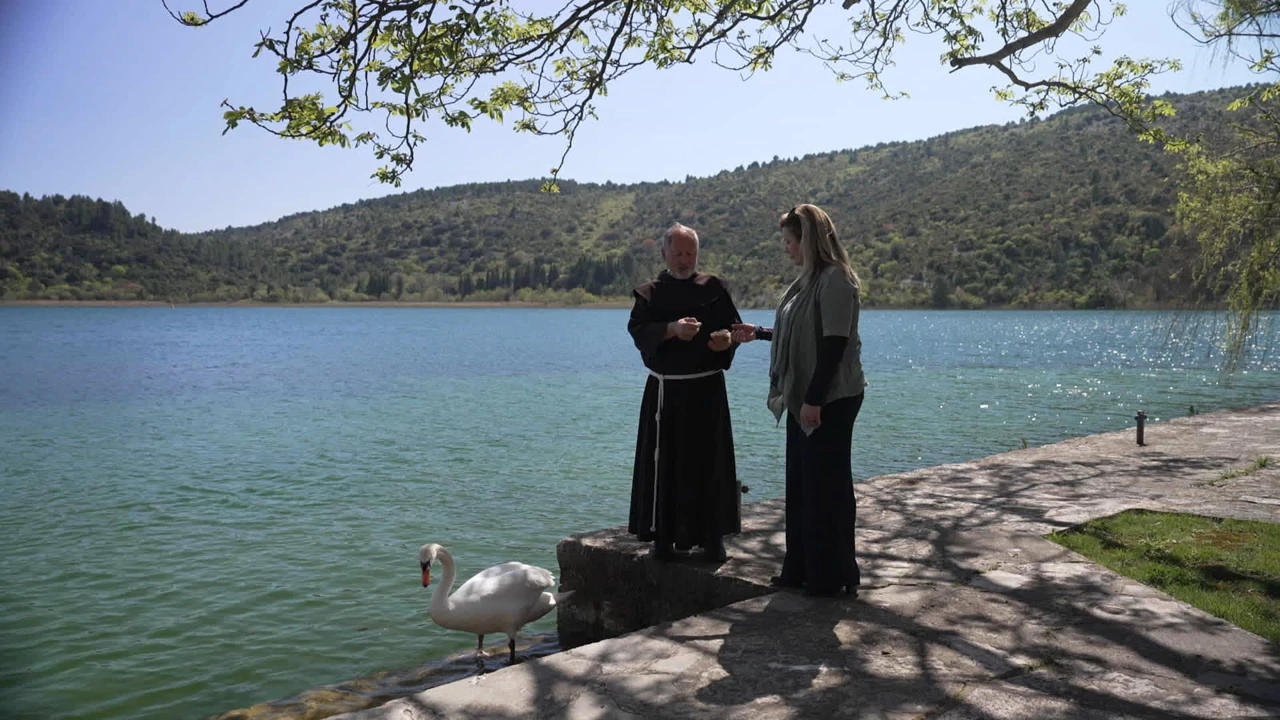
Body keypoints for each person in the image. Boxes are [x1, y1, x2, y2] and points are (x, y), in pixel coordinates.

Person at [731, 203, 867, 597]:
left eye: (791, 242)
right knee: (803, 485)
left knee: (826, 487)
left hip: (830, 398)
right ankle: (802, 569)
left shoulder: (836, 281)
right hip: (805, 396)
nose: (787, 249)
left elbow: (834, 346)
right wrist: (759, 333)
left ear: (809, 240)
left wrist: (814, 401)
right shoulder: (809, 280)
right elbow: (803, 332)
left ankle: (830, 575)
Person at [627, 222, 743, 562]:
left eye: (690, 253)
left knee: (710, 464)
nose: (684, 260)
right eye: (678, 253)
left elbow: (733, 329)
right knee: (665, 465)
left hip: (707, 391)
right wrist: (670, 330)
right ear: (664, 253)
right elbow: (638, 331)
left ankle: (712, 539)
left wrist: (726, 340)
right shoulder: (650, 292)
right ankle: (662, 537)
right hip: (668, 394)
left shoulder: (715, 288)